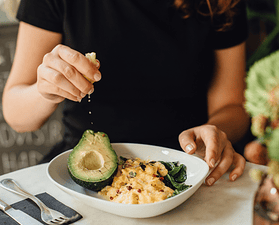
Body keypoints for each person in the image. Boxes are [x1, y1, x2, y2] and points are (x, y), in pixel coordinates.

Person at [2, 0, 249, 186]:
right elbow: (16, 113)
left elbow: (232, 106)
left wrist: (215, 132)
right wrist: (45, 91)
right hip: (81, 173)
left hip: (187, 167)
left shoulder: (220, 3)